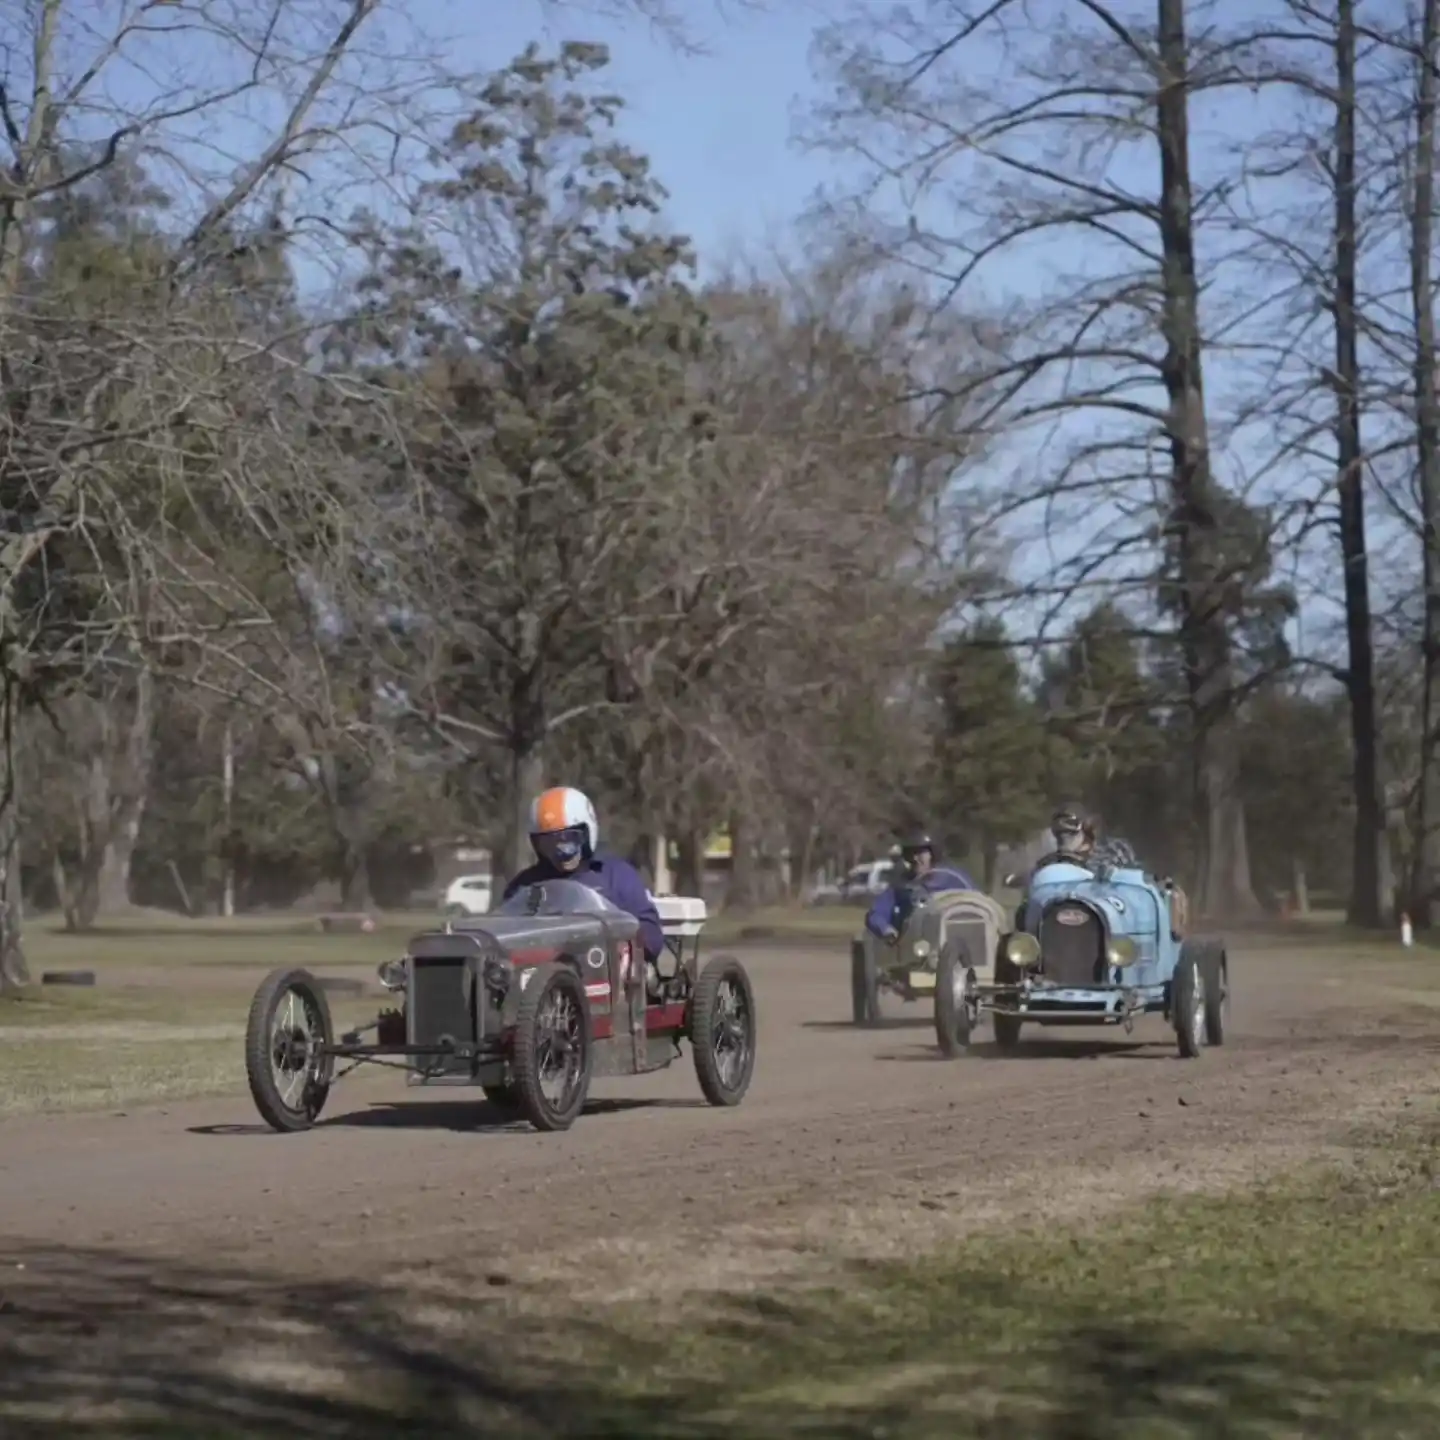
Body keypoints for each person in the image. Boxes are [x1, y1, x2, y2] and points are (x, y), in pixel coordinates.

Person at [503, 786, 665, 962]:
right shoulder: (524, 886)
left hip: (605, 973)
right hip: (542, 981)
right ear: (536, 844)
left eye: (569, 839)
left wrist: (620, 943)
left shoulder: (616, 875)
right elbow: (502, 937)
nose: (561, 851)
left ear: (587, 834)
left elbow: (653, 939)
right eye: (549, 842)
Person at [864, 832, 977, 945]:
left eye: (920, 853)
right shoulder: (901, 886)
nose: (915, 858)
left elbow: (978, 901)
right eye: (911, 854)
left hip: (960, 938)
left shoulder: (955, 878)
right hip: (916, 945)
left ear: (932, 855)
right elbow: (876, 914)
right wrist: (885, 929)